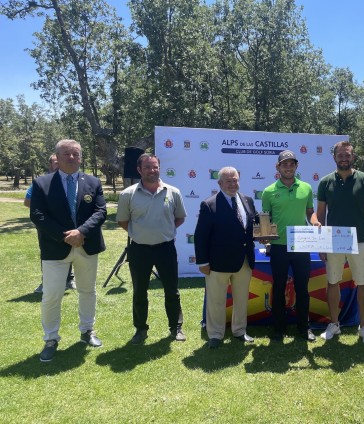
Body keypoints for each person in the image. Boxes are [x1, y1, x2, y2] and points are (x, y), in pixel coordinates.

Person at [30, 139, 106, 362]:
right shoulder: (42, 183)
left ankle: (87, 331)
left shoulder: (93, 182)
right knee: (52, 295)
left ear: (81, 157)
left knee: (87, 291)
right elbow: (37, 215)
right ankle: (51, 339)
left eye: (75, 154)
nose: (71, 158)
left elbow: (100, 211)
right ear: (57, 156)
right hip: (55, 248)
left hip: (86, 246)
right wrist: (66, 236)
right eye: (66, 154)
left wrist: (81, 232)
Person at [311, 141, 364, 345]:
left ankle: (363, 326)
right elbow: (320, 215)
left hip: (359, 240)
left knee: (363, 283)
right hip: (333, 241)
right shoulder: (325, 182)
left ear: (353, 157)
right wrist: (320, 242)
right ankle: (334, 324)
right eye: (340, 155)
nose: (344, 158)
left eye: (347, 155)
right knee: (333, 282)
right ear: (334, 157)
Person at [116, 153, 187, 344]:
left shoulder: (173, 192)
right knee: (140, 291)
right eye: (147, 167)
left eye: (155, 166)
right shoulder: (127, 194)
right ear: (139, 170)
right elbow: (123, 221)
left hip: (166, 248)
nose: (152, 170)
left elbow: (179, 218)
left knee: (172, 290)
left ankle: (176, 328)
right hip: (139, 250)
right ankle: (140, 330)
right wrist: (141, 233)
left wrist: (163, 231)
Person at [194, 166, 257, 349]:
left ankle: (240, 331)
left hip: (244, 261)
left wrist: (264, 237)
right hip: (217, 262)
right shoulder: (209, 204)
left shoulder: (248, 200)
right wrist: (203, 262)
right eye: (228, 181)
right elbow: (201, 235)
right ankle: (215, 334)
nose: (232, 184)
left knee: (241, 299)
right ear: (220, 183)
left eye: (235, 180)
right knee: (216, 300)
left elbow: (252, 228)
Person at [261, 150, 317, 342]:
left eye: (291, 164)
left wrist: (315, 221)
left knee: (302, 288)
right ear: (278, 167)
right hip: (278, 246)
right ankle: (278, 329)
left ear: (296, 166)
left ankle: (304, 327)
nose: (288, 167)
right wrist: (264, 236)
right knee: (278, 288)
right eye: (284, 164)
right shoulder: (268, 191)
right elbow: (265, 220)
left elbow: (310, 212)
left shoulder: (307, 188)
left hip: (301, 245)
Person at [25, 153, 76, 293]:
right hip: (46, 224)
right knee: (48, 250)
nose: (58, 165)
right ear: (50, 165)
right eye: (55, 163)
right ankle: (45, 282)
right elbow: (27, 201)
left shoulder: (70, 180)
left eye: (59, 162)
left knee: (70, 247)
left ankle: (69, 279)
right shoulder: (42, 182)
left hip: (66, 222)